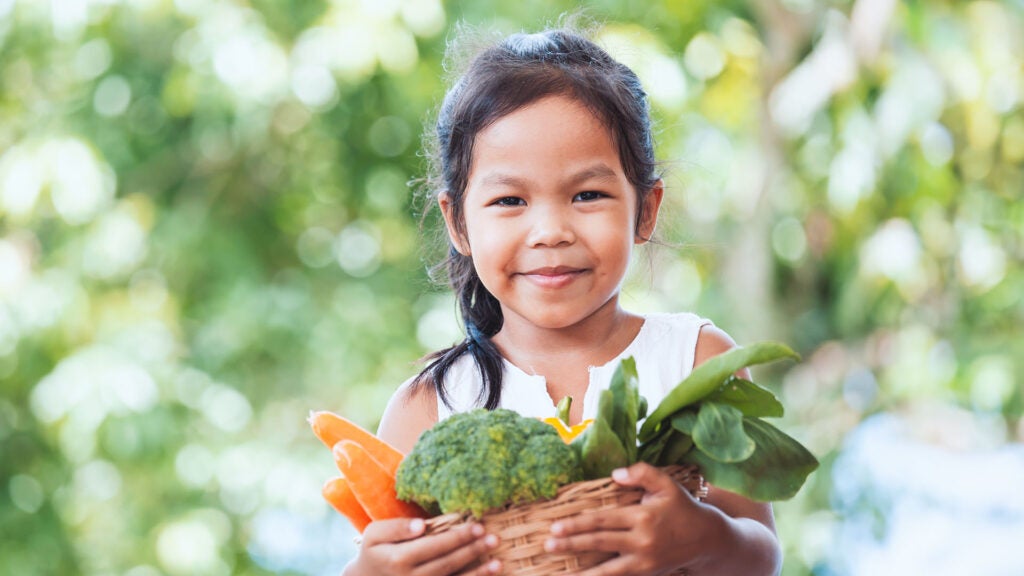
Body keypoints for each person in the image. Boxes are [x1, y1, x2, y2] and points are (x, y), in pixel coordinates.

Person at [342, 23, 782, 576]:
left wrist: (706, 539)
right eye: (509, 200)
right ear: (458, 222)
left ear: (645, 209)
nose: (550, 231)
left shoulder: (697, 362)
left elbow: (762, 553)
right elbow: (389, 549)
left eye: (587, 194)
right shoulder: (428, 407)